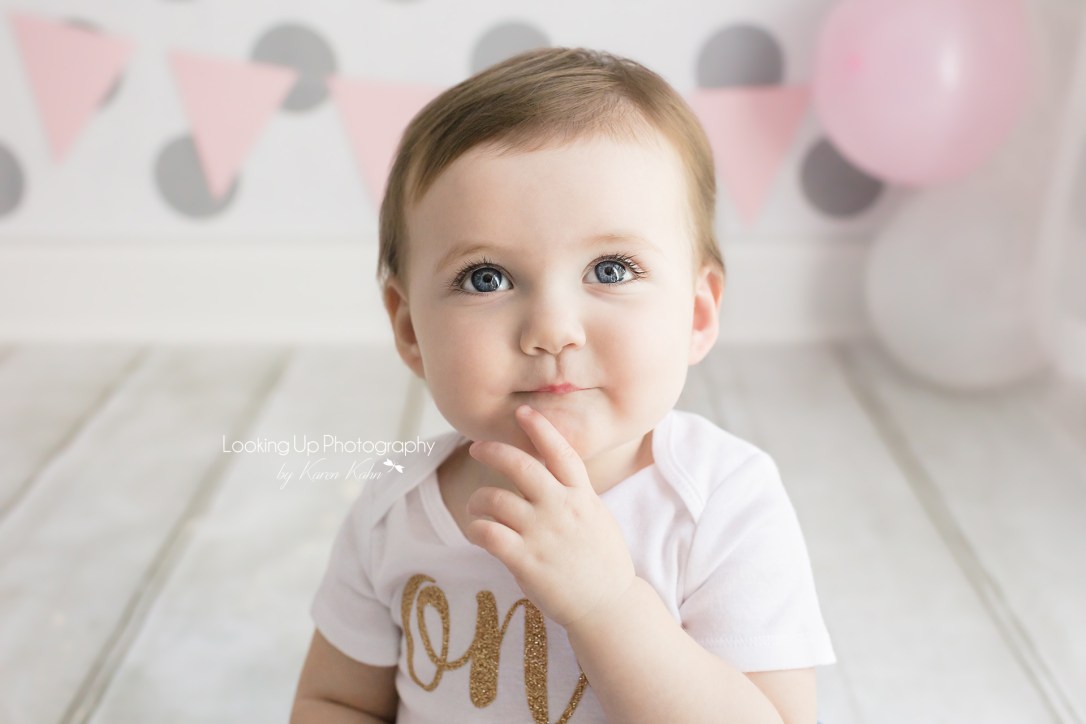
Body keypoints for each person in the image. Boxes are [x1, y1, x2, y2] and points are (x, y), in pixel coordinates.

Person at [291, 46, 835, 723]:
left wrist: (607, 604)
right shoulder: (395, 510)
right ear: (409, 331)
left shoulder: (719, 504)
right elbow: (338, 700)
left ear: (697, 315)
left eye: (610, 270)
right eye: (485, 278)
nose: (552, 329)